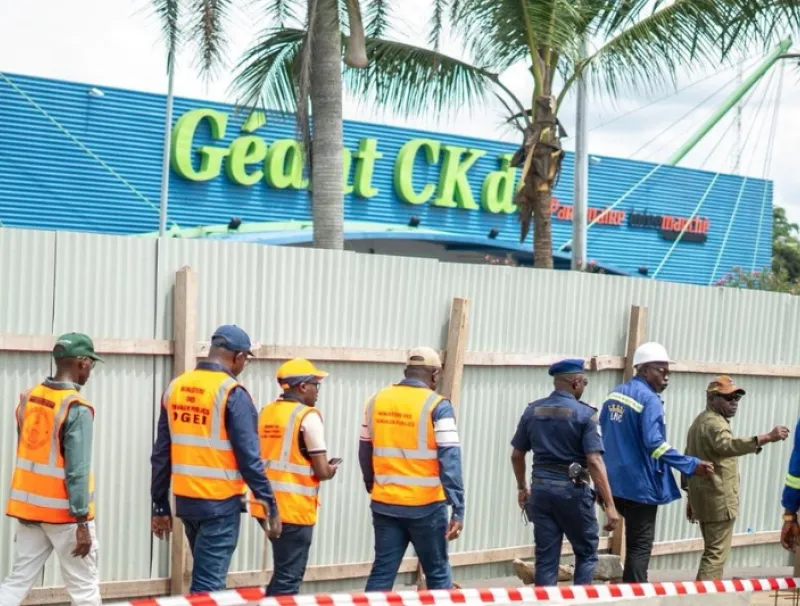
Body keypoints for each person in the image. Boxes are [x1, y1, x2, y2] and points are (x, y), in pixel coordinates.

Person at [150, 324, 281, 594]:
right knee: (208, 590)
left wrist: (160, 505)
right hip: (219, 506)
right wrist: (269, 502)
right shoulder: (232, 392)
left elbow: (162, 454)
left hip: (187, 503)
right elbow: (250, 459)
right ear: (239, 357)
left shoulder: (176, 387)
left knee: (205, 581)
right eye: (246, 360)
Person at [0, 333, 103, 606]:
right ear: (81, 363)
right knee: (84, 590)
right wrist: (82, 523)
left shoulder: (29, 398)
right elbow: (76, 471)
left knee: (18, 580)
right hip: (65, 516)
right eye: (91, 364)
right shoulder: (76, 408)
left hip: (30, 511)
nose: (90, 371)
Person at [599, 341, 715, 583]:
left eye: (667, 371)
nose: (667, 376)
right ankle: (635, 595)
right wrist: (691, 464)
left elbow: (604, 434)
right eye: (661, 370)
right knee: (640, 546)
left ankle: (626, 591)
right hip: (640, 486)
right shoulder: (649, 400)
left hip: (614, 484)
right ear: (643, 369)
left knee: (633, 541)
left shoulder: (614, 394)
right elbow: (655, 444)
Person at [359, 347, 465, 591]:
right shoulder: (438, 405)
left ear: (406, 371)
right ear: (435, 375)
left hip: (385, 502)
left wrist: (372, 485)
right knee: (437, 573)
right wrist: (458, 507)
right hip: (427, 507)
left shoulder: (375, 401)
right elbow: (450, 459)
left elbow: (364, 451)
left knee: (382, 572)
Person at [510, 359, 619, 587]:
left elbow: (516, 455)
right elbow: (595, 460)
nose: (584, 387)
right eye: (585, 382)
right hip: (572, 491)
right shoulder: (585, 414)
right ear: (576, 382)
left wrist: (522, 488)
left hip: (540, 491)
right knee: (587, 553)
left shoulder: (533, 411)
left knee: (546, 560)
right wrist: (609, 505)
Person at [684, 376, 788, 581]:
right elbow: (728, 445)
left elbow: (688, 459)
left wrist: (690, 496)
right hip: (718, 500)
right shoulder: (714, 424)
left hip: (705, 498)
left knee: (713, 550)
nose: (734, 402)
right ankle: (704, 598)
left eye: (737, 398)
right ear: (711, 398)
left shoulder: (701, 421)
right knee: (715, 555)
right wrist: (765, 437)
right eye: (728, 397)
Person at [251, 358, 340, 596]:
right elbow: (321, 471)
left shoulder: (265, 413)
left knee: (283, 571)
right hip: (293, 510)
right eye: (315, 385)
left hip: (264, 508)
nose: (317, 391)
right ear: (302, 386)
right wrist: (332, 469)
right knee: (289, 577)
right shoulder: (307, 417)